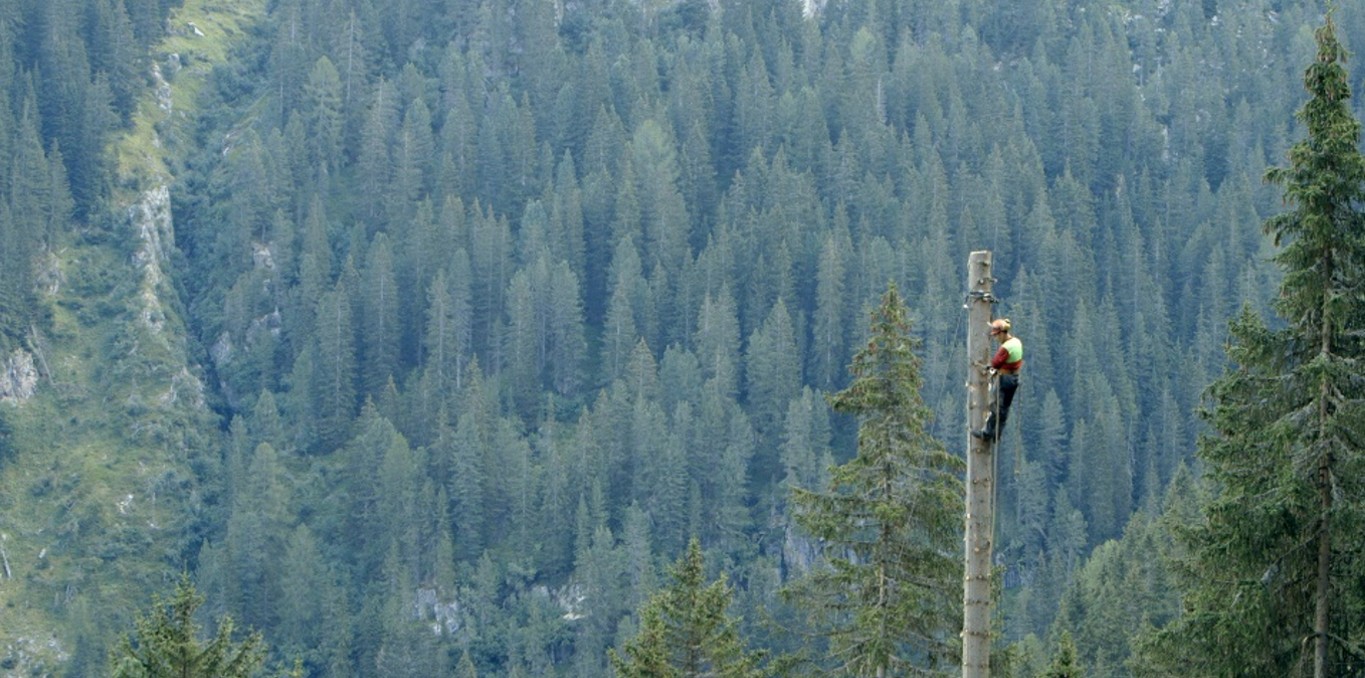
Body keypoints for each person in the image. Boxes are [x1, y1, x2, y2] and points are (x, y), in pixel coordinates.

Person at [973, 318, 1022, 442]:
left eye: (996, 335)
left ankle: (987, 433)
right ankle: (997, 434)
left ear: (1002, 333)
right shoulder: (1017, 342)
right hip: (1014, 378)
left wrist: (990, 367)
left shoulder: (1006, 347)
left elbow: (996, 363)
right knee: (1004, 408)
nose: (996, 338)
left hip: (1004, 379)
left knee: (995, 407)